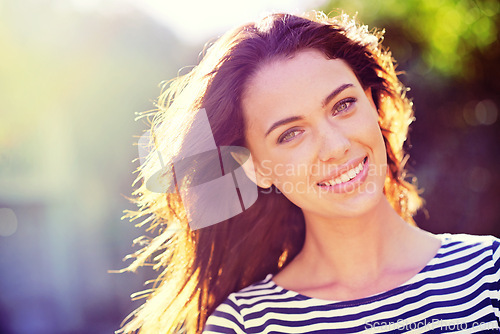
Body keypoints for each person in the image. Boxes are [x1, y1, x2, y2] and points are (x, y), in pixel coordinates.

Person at [118, 11, 500, 334]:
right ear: (255, 168)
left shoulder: (488, 275)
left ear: (373, 105)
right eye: (291, 134)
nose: (336, 146)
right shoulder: (244, 324)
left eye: (343, 105)